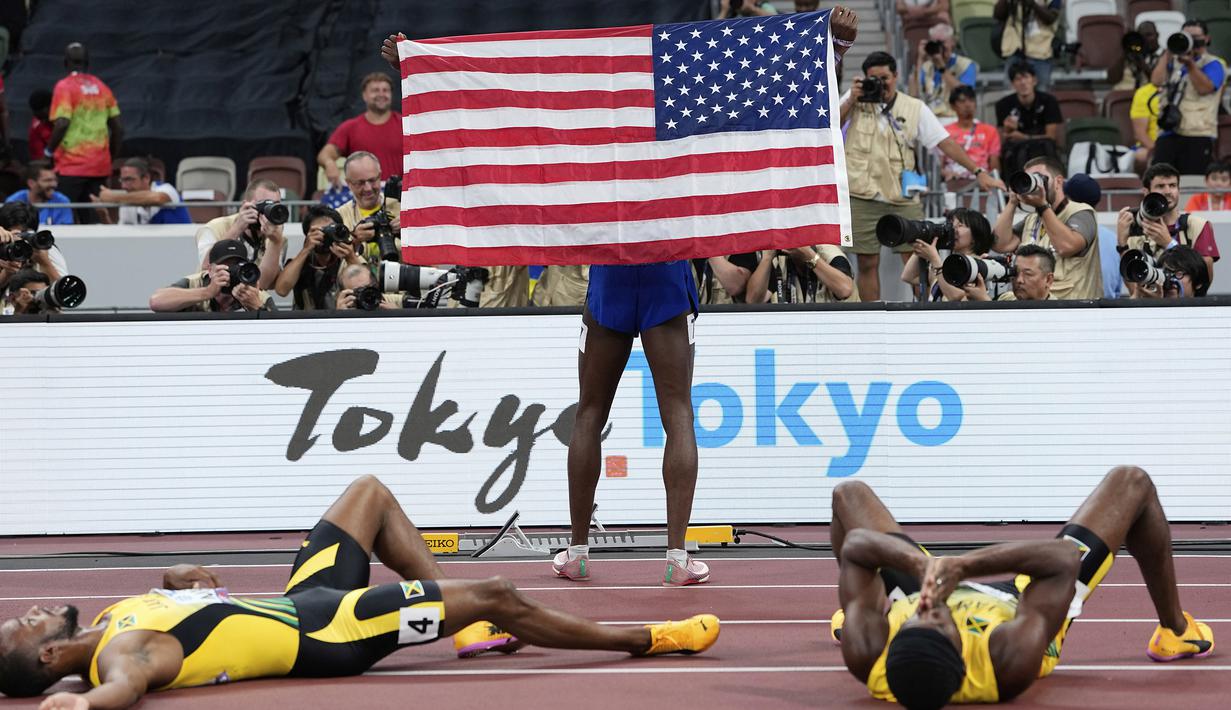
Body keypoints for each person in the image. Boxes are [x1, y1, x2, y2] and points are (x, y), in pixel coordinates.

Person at [540, 5, 864, 586]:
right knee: (678, 413)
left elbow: (532, 118)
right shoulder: (688, 98)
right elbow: (771, 101)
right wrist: (831, 51)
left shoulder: (601, 111)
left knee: (591, 411)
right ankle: (676, 556)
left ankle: (577, 549)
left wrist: (420, 70)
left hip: (614, 265)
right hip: (665, 265)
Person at [0, 476, 719, 706]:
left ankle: (451, 619)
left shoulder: (109, 616)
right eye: (21, 628)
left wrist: (178, 578)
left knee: (367, 493)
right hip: (330, 632)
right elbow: (125, 685)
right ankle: (649, 640)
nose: (23, 613)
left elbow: (174, 600)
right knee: (499, 589)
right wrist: (84, 705)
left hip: (294, 600)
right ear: (47, 659)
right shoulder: (121, 653)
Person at [830, 466, 1215, 708]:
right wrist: (963, 566)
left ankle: (860, 603)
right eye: (940, 620)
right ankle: (1175, 632)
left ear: (892, 640)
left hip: (920, 584)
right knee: (1132, 482)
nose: (931, 607)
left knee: (847, 495)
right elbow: (1060, 561)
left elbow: (856, 548)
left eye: (916, 619)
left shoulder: (867, 652)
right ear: (962, 655)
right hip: (1020, 603)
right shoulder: (1007, 662)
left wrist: (922, 568)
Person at [840, 51, 1003, 302]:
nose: (880, 84)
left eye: (885, 78)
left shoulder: (914, 107)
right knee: (866, 262)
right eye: (874, 78)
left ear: (896, 76)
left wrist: (978, 171)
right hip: (861, 193)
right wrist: (852, 98)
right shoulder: (854, 99)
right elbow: (827, 126)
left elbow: (945, 143)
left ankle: (923, 309)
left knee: (920, 255)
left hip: (902, 195)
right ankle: (871, 314)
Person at [992, 156, 1102, 300]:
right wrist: (1012, 202)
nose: (1036, 185)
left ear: (1058, 182)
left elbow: (1066, 246)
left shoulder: (1081, 212)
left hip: (1073, 310)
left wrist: (1042, 206)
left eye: (1040, 178)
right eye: (1029, 179)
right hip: (1037, 308)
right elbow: (1000, 244)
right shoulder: (1033, 218)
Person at [48, 42, 122, 225]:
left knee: (66, 218)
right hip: (99, 166)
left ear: (65, 62)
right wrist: (109, 157)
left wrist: (48, 151)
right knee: (95, 220)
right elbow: (118, 128)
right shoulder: (102, 87)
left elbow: (62, 122)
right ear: (88, 62)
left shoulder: (64, 87)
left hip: (71, 166)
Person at [1116, 162, 1219, 291]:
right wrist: (1122, 244)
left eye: (1173, 185)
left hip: (1187, 307)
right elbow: (1134, 289)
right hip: (1149, 306)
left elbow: (1205, 280)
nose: (1168, 191)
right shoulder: (1136, 230)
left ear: (1179, 189)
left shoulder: (1197, 225)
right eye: (1160, 186)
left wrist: (1169, 244)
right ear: (1146, 192)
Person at [1149, 19, 1225, 175]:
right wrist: (1168, 52)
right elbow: (1156, 81)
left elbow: (1205, 88)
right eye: (1186, 36)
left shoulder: (1214, 64)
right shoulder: (1174, 62)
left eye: (1195, 37)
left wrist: (1190, 65)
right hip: (1168, 131)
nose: (1191, 40)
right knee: (1160, 180)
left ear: (1206, 39)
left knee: (1191, 183)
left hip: (1197, 134)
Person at [194, 179, 288, 290]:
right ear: (245, 205)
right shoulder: (214, 228)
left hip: (252, 300)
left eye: (274, 207)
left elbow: (262, 284)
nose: (268, 212)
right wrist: (236, 228)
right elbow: (206, 267)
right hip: (215, 299)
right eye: (263, 206)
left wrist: (275, 242)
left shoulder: (277, 237)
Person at [317, 73, 402, 188]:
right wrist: (329, 163)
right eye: (375, 90)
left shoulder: (406, 125)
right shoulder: (350, 127)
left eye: (385, 90)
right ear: (364, 95)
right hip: (363, 198)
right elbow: (324, 154)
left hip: (400, 198)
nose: (381, 94)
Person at [274, 205, 366, 310]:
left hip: (340, 320)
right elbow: (281, 290)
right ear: (307, 235)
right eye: (318, 231)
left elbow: (367, 287)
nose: (324, 236)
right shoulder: (300, 262)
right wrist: (306, 250)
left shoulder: (348, 259)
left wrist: (351, 258)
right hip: (306, 322)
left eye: (329, 230)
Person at [149, 239, 274, 313]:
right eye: (225, 266)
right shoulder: (194, 283)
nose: (230, 272)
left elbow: (279, 333)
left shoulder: (254, 293)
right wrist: (207, 292)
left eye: (236, 266)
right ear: (210, 270)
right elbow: (156, 302)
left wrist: (256, 306)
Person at [900, 208, 995, 302]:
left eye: (960, 225)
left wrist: (935, 261)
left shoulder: (979, 266)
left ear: (975, 236)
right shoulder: (945, 265)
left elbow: (957, 297)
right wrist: (926, 239)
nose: (954, 229)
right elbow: (908, 276)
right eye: (951, 224)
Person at [335, 151, 401, 268]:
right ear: (348, 183)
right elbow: (333, 266)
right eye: (359, 183)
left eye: (372, 180)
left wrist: (410, 232)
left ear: (380, 176)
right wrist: (355, 241)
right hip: (358, 284)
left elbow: (429, 260)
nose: (368, 188)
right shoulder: (339, 217)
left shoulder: (403, 209)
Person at [995, 63, 1061, 178]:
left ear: (1034, 80)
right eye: (1018, 79)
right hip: (1017, 149)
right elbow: (1002, 139)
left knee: (1047, 146)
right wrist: (1007, 129)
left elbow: (1051, 136)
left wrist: (1025, 137)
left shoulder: (1049, 101)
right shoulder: (1003, 104)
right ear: (1013, 84)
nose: (1023, 82)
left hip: (1042, 147)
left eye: (1026, 77)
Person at [908, 23, 976, 123]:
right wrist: (920, 59)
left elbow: (964, 93)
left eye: (942, 43)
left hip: (953, 117)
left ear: (952, 42)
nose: (939, 47)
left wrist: (941, 67)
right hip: (929, 117)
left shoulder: (965, 64)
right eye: (934, 43)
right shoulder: (926, 67)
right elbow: (915, 95)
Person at [93, 157, 191, 225]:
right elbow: (120, 237)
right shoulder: (127, 201)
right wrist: (104, 216)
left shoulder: (166, 189)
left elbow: (157, 198)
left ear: (146, 178)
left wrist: (113, 197)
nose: (123, 186)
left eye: (129, 180)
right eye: (122, 180)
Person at [993, 0, 1061, 90]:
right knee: (1011, 95)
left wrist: (1032, 4)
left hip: (1040, 53)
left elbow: (1050, 18)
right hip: (1014, 50)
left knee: (1041, 94)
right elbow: (998, 15)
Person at [941, 86, 1000, 180]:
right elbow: (938, 167)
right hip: (953, 181)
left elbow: (994, 167)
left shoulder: (990, 131)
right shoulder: (944, 132)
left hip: (981, 182)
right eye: (962, 101)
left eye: (971, 100)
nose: (968, 105)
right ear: (953, 106)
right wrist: (948, 174)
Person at [964, 243, 1056, 301]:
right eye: (1015, 272)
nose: (1019, 280)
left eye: (1028, 274)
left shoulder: (1059, 312)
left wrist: (985, 303)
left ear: (1048, 280)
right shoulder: (1005, 299)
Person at [4, 160, 74, 226]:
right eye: (48, 180)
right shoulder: (14, 201)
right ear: (31, 183)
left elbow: (66, 230)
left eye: (55, 180)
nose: (54, 184)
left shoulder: (62, 201)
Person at [1110, 21, 1161, 91]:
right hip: (1128, 95)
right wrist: (1125, 49)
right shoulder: (1130, 55)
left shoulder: (1164, 56)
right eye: (1142, 36)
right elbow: (1112, 79)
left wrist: (1142, 64)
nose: (1145, 39)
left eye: (1149, 35)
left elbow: (1158, 82)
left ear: (1157, 35)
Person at [1129, 82, 1161, 172]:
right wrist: (1159, 152)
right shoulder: (1144, 93)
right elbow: (1140, 134)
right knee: (1141, 155)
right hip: (1152, 147)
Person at [27, 90, 53, 162]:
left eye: (45, 117)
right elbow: (38, 159)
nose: (43, 121)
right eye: (40, 118)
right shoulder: (36, 127)